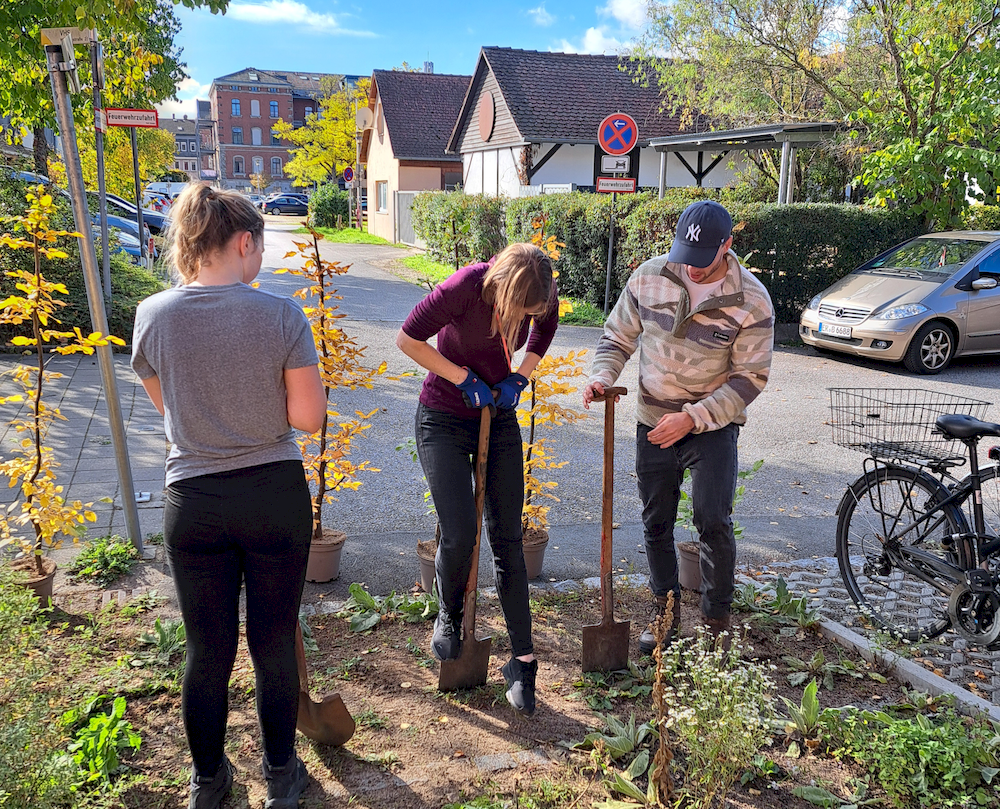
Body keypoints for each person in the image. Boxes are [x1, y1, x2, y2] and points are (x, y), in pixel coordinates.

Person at [131, 185, 326, 809]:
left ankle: (209, 784)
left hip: (193, 499)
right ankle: (281, 777)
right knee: (272, 640)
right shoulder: (280, 316)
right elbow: (308, 419)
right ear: (244, 241)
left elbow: (171, 413)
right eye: (260, 245)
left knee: (206, 648)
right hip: (273, 495)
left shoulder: (152, 315)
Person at [583, 200, 774, 653]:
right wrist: (601, 376)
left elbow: (750, 379)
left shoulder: (750, 299)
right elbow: (617, 337)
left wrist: (692, 417)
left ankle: (715, 622)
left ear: (727, 245)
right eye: (684, 256)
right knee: (656, 522)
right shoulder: (650, 276)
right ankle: (665, 614)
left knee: (712, 519)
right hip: (653, 418)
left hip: (711, 427)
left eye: (703, 261)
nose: (691, 269)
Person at [396, 243, 559, 716]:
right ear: (503, 292)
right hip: (444, 416)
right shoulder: (466, 287)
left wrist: (519, 378)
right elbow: (408, 339)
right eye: (520, 311)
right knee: (462, 531)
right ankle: (448, 615)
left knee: (509, 539)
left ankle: (523, 663)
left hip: (498, 415)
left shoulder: (542, 291)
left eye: (532, 311)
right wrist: (461, 377)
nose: (525, 320)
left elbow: (544, 332)